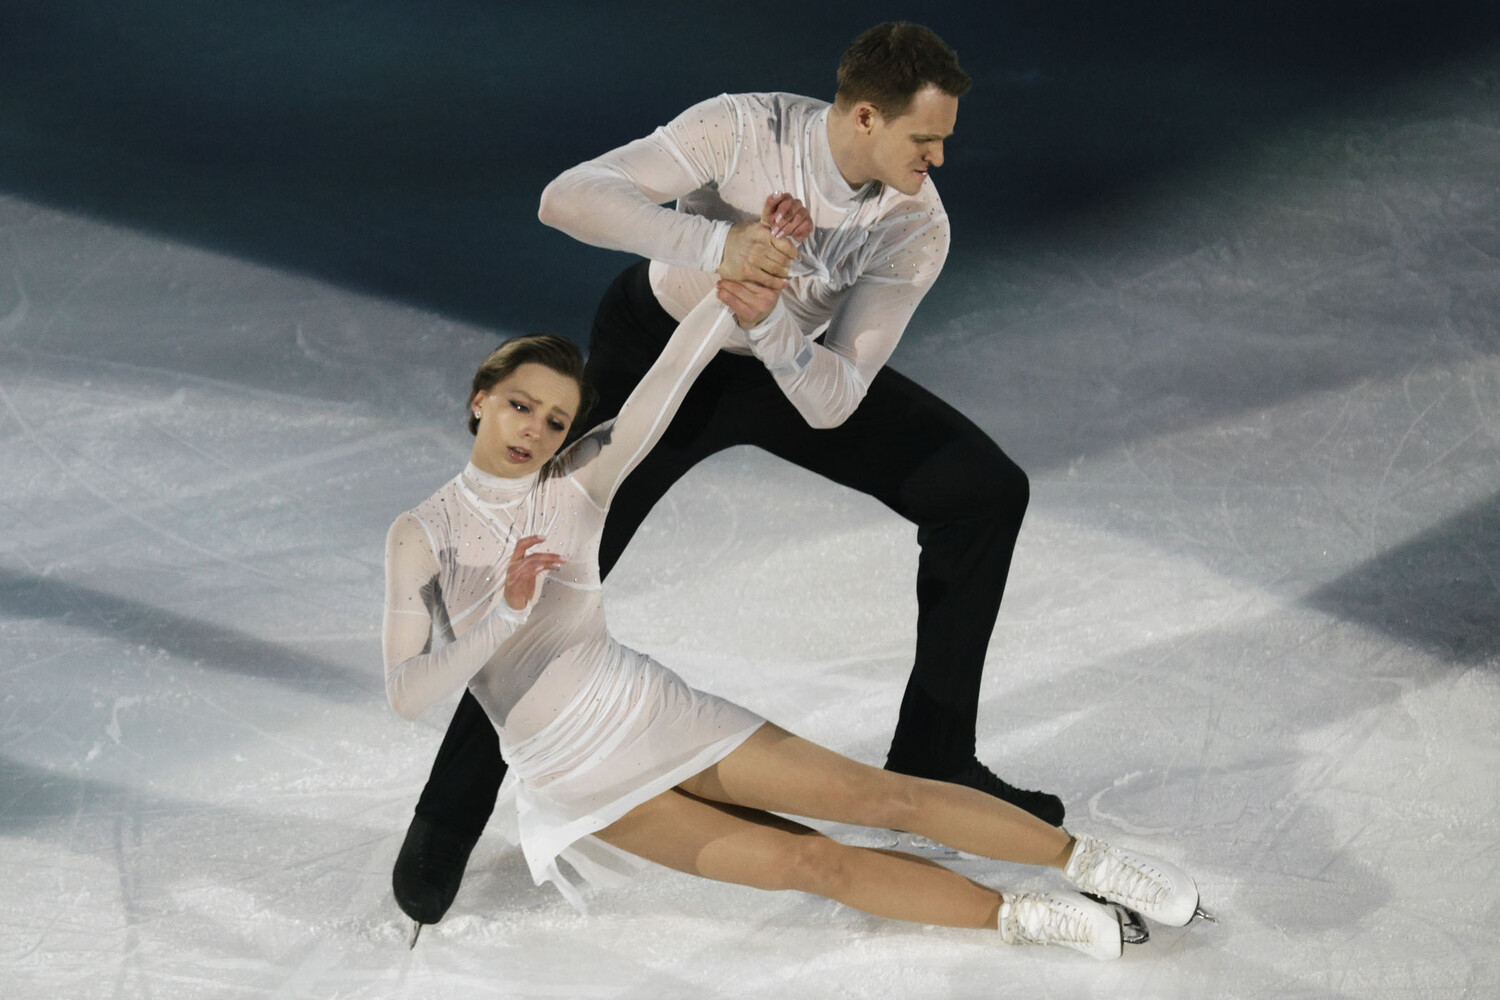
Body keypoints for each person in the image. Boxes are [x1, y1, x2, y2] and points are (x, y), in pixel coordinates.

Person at [395, 21, 1060, 926]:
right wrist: (719, 248)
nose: (939, 158)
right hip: (661, 348)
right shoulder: (744, 128)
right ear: (867, 117)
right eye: (925, 137)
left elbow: (835, 401)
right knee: (543, 568)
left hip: (786, 370)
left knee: (982, 493)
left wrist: (771, 321)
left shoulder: (915, 223)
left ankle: (935, 755)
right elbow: (566, 198)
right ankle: (447, 816)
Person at [382, 256, 1202, 959]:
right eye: (520, 405)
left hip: (648, 714)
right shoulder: (419, 537)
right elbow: (409, 692)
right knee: (812, 866)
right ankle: (1028, 918)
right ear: (481, 398)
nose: (534, 429)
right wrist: (504, 616)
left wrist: (727, 295)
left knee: (880, 798)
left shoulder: (578, 484)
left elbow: (668, 383)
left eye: (556, 418)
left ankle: (1089, 864)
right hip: (567, 777)